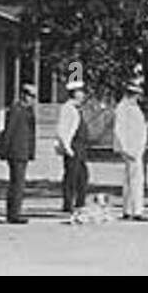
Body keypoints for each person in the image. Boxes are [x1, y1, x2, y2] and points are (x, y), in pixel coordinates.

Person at [0, 83, 37, 224]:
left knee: (19, 183)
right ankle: (13, 214)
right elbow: (9, 131)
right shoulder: (17, 109)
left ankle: (15, 212)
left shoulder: (29, 111)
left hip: (24, 152)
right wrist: (4, 150)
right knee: (17, 183)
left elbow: (31, 134)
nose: (32, 99)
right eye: (30, 95)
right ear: (23, 95)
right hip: (16, 151)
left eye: (34, 96)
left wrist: (31, 152)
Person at [113, 76, 148, 221]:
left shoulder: (132, 108)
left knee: (131, 180)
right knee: (135, 180)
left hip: (136, 149)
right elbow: (120, 130)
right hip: (131, 149)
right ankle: (136, 211)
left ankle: (129, 209)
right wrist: (125, 149)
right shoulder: (123, 108)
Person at [56, 74, 89, 217]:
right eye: (81, 91)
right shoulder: (68, 108)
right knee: (71, 175)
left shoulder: (77, 108)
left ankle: (80, 202)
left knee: (83, 175)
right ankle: (68, 203)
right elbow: (62, 129)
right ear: (74, 93)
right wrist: (67, 147)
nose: (83, 95)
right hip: (73, 145)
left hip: (81, 146)